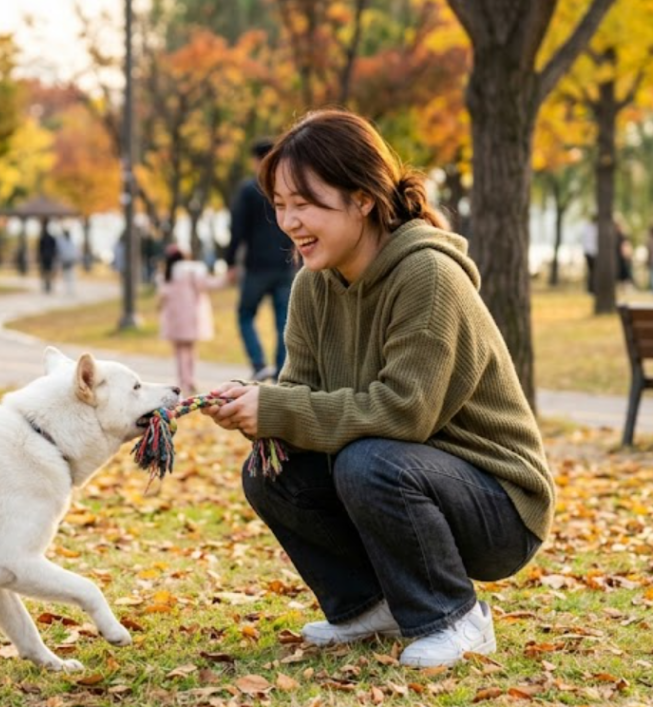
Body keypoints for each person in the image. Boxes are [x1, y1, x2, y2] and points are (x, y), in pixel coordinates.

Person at [201, 110, 553, 668]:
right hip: (406, 474)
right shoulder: (312, 287)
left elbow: (405, 412)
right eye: (280, 204)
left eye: (305, 203)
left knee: (369, 461)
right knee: (273, 464)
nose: (289, 221)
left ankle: (457, 618)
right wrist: (259, 407)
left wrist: (281, 408)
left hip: (498, 503)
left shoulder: (428, 277)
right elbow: (299, 399)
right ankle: (370, 605)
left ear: (362, 198)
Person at [226, 139, 297, 382]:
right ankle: (280, 372)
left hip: (257, 266)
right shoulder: (288, 186)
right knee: (284, 323)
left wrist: (231, 263)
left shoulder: (248, 190)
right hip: (286, 265)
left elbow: (237, 229)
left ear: (257, 160)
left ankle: (258, 363)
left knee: (245, 314)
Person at [157, 245, 220, 394]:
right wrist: (227, 278)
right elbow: (206, 285)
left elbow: (162, 296)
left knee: (179, 351)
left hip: (174, 319)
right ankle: (190, 380)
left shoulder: (166, 275)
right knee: (190, 350)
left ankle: (183, 380)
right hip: (192, 318)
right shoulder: (192, 271)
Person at [37, 219, 58, 294]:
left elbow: (40, 249)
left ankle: (47, 285)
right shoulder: (50, 238)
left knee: (46, 272)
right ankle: (48, 285)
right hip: (49, 257)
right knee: (48, 271)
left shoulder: (43, 238)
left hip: (46, 257)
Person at [615, 218, 635, 294]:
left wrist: (628, 255)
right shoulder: (616, 235)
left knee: (626, 273)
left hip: (623, 258)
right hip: (618, 258)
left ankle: (627, 289)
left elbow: (627, 246)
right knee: (621, 274)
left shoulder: (623, 236)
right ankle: (621, 289)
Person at [57, 230, 79, 296]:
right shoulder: (62, 242)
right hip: (65, 261)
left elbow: (75, 252)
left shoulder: (72, 242)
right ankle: (67, 290)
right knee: (66, 276)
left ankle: (71, 290)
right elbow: (60, 252)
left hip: (71, 261)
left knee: (71, 276)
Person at [580, 215, 597, 294]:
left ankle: (591, 288)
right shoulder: (595, 228)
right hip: (592, 252)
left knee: (591, 271)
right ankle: (592, 288)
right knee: (593, 271)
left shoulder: (586, 227)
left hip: (588, 251)